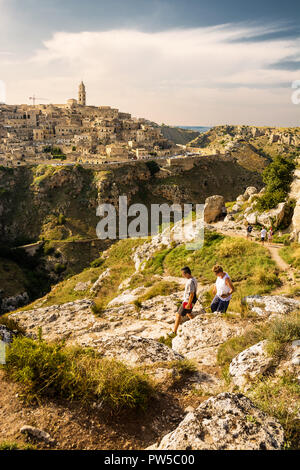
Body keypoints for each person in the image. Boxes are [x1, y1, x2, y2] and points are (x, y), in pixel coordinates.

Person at [172, 267, 198, 335]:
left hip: (188, 301)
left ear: (187, 273)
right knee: (189, 313)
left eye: (183, 274)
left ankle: (174, 332)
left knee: (178, 315)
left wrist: (189, 304)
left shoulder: (190, 281)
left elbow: (191, 294)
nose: (182, 275)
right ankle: (197, 325)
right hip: (192, 300)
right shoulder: (194, 279)